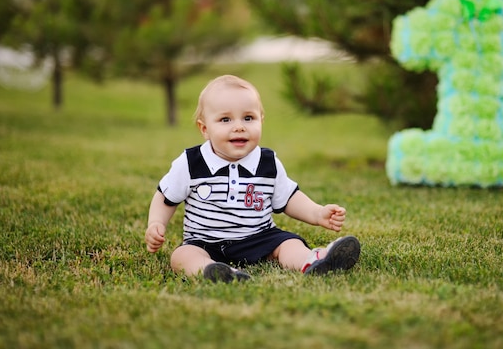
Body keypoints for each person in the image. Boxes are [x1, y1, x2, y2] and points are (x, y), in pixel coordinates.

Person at [144, 74, 360, 283]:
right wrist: (156, 223)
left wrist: (317, 213)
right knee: (182, 256)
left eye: (248, 118)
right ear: (205, 129)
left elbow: (289, 198)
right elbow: (166, 197)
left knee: (288, 243)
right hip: (204, 241)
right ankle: (212, 271)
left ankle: (314, 261)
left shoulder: (267, 162)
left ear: (261, 120)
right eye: (225, 119)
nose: (239, 126)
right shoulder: (191, 162)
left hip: (259, 237)